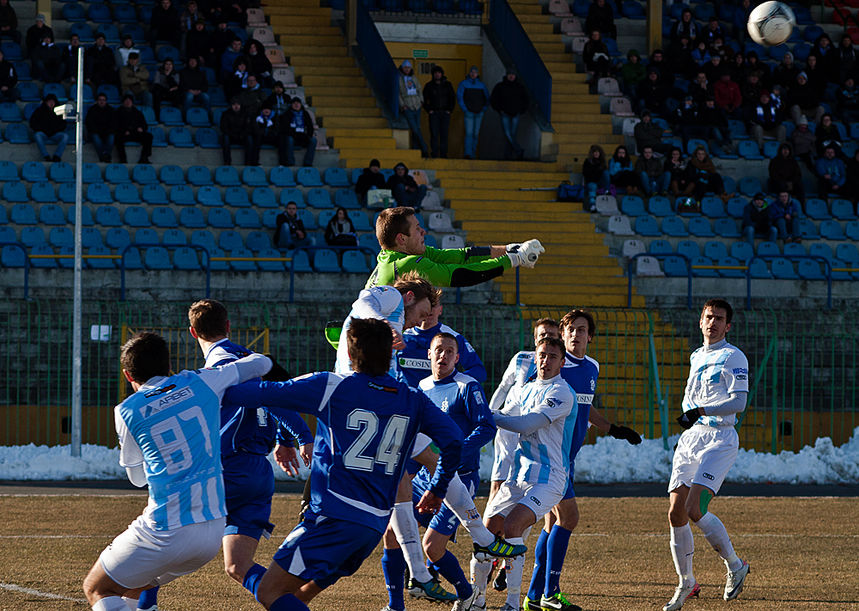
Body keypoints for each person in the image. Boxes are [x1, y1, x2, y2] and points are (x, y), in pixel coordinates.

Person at [221, 317, 463, 611]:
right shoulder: (414, 399)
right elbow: (453, 441)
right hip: (372, 526)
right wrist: (438, 489)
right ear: (390, 354)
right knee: (297, 597)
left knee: (270, 590)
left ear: (348, 354)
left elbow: (260, 393)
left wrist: (216, 381)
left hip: (332, 518)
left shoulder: (332, 385)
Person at [136, 301, 314, 611]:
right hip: (258, 474)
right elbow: (278, 394)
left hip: (226, 472)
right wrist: (290, 437)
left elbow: (268, 397)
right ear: (228, 326)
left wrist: (299, 435)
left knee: (161, 543)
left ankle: (144, 606)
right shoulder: (253, 359)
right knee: (238, 566)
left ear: (192, 332)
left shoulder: (221, 366)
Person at [81, 332, 272, 611]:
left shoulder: (126, 410)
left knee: (97, 587)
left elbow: (137, 478)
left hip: (166, 528)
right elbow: (261, 363)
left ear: (127, 375)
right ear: (168, 365)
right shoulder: (201, 380)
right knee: (134, 584)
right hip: (211, 532)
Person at [522, 310, 642, 611]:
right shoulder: (552, 368)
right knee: (569, 518)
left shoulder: (592, 367)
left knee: (552, 522)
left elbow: (585, 409)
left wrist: (613, 429)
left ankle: (534, 596)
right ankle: (549, 594)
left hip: (569, 457)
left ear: (591, 336)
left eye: (581, 329)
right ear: (562, 335)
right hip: (553, 458)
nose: (576, 334)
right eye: (570, 329)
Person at [471, 337, 577, 611]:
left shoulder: (562, 392)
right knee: (486, 531)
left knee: (513, 526)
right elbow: (507, 417)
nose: (546, 360)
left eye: (553, 356)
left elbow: (526, 423)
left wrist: (486, 415)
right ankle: (476, 600)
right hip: (518, 475)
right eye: (542, 355)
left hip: (549, 478)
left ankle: (513, 603)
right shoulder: (525, 389)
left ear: (562, 362)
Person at [663, 299, 750, 611]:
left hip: (720, 438)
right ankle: (686, 581)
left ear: (728, 326)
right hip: (692, 438)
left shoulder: (733, 356)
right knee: (676, 513)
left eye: (720, 319)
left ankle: (736, 565)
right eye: (708, 317)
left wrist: (701, 410)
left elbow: (738, 402)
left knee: (694, 509)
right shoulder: (697, 355)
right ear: (700, 322)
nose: (713, 323)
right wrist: (692, 414)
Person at [408, 332, 496, 609]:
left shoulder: (467, 386)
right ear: (429, 355)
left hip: (458, 477)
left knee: (432, 547)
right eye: (438, 350)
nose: (443, 355)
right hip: (424, 476)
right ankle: (407, 590)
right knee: (394, 528)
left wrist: (454, 453)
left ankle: (467, 594)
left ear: (457, 358)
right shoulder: (421, 387)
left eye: (449, 351)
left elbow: (486, 427)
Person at [366, 206, 543, 288]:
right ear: (402, 239)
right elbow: (460, 275)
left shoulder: (390, 255)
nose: (424, 232)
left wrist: (509, 248)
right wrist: (515, 259)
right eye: (417, 229)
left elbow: (459, 256)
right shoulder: (407, 265)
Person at [398, 291, 486, 389]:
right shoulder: (400, 334)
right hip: (404, 400)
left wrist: (450, 384)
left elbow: (479, 371)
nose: (430, 309)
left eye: (434, 305)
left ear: (440, 310)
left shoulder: (453, 338)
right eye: (428, 304)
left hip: (437, 402)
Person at [490, 70, 529, 160]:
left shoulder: (520, 87)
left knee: (511, 135)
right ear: (506, 75)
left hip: (516, 114)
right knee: (508, 134)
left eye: (513, 75)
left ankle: (508, 155)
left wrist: (521, 110)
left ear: (515, 76)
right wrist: (500, 110)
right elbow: (493, 99)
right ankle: (518, 150)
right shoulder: (500, 86)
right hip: (505, 114)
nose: (511, 76)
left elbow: (526, 100)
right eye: (510, 74)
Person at [423, 65, 456, 159]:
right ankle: (434, 154)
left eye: (439, 73)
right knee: (434, 134)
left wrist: (449, 110)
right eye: (435, 73)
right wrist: (429, 110)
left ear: (442, 74)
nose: (437, 75)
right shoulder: (429, 85)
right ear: (433, 74)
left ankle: (443, 154)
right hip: (434, 114)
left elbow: (452, 98)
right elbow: (424, 99)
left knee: (444, 134)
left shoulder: (448, 85)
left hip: (445, 113)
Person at [457, 66, 490, 159]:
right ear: (469, 73)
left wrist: (483, 109)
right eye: (471, 72)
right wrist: (465, 109)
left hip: (479, 113)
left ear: (478, 74)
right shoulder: (464, 84)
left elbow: (487, 98)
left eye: (475, 72)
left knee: (475, 134)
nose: (473, 74)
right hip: (469, 113)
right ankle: (468, 153)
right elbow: (460, 97)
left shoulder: (482, 85)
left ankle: (473, 153)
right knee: (469, 133)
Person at [397, 60, 428, 157]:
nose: (407, 69)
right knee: (415, 129)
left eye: (408, 67)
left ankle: (416, 150)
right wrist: (403, 105)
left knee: (417, 128)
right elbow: (398, 94)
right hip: (408, 106)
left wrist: (421, 101)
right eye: (405, 67)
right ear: (402, 68)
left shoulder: (414, 78)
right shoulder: (399, 79)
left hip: (417, 106)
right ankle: (424, 148)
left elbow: (419, 89)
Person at [114, 94, 153, 164]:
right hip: (124, 134)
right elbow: (115, 125)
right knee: (118, 138)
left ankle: (144, 157)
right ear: (123, 102)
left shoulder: (137, 112)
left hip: (136, 133)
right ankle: (123, 159)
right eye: (126, 100)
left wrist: (142, 128)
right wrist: (123, 131)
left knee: (148, 136)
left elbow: (144, 125)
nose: (128, 102)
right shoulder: (118, 112)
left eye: (129, 100)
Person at [29, 93, 68, 162]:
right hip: (43, 133)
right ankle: (45, 155)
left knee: (65, 136)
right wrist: (42, 129)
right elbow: (32, 123)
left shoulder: (59, 111)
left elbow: (63, 124)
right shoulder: (39, 111)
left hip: (55, 134)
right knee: (37, 135)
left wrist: (55, 130)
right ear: (46, 102)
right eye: (49, 101)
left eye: (53, 101)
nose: (51, 103)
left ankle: (57, 156)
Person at [283, 96, 316, 167]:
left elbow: (310, 127)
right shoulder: (287, 114)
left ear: (301, 105)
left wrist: (308, 135)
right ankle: (290, 162)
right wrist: (295, 134)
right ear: (291, 105)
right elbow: (285, 128)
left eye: (298, 103)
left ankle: (308, 162)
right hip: (293, 136)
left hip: (303, 136)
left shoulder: (305, 113)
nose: (296, 105)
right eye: (294, 103)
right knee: (289, 139)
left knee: (313, 140)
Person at [220, 97, 252, 166]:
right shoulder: (225, 114)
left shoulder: (246, 114)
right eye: (234, 104)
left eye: (238, 104)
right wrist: (232, 134)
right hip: (230, 136)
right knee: (225, 138)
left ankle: (248, 162)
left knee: (249, 139)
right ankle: (227, 162)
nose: (236, 106)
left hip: (242, 136)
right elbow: (223, 127)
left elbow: (248, 127)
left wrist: (242, 134)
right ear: (231, 106)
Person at [85, 93, 116, 163]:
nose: (102, 102)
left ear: (106, 101)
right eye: (100, 100)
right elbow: (89, 123)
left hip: (107, 132)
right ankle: (104, 156)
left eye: (103, 100)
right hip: (95, 132)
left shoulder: (111, 110)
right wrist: (96, 130)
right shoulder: (92, 110)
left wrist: (108, 131)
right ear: (97, 101)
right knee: (96, 137)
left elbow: (114, 123)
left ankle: (106, 155)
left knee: (111, 137)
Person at [180, 55, 211, 121]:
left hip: (199, 93)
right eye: (191, 61)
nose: (192, 62)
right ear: (188, 62)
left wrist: (200, 91)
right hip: (187, 92)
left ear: (197, 62)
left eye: (194, 61)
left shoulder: (201, 73)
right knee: (189, 97)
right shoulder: (183, 72)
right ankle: (185, 116)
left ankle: (208, 117)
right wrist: (189, 90)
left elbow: (205, 85)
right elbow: (181, 85)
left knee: (206, 97)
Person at [582, 144, 609, 211]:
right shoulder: (587, 162)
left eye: (598, 152)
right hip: (591, 181)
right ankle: (592, 205)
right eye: (594, 152)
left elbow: (603, 174)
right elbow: (586, 174)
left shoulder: (602, 162)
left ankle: (607, 190)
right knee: (592, 186)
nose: (596, 153)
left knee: (606, 173)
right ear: (592, 153)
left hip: (600, 182)